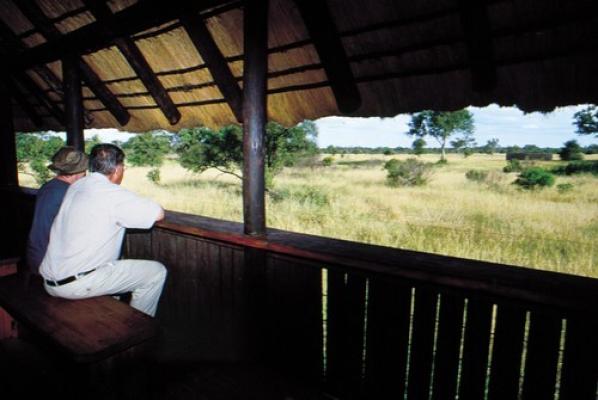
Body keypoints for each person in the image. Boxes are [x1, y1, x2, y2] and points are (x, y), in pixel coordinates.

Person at [39, 143, 167, 317]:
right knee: (156, 272)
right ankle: (139, 328)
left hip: (50, 280)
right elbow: (158, 213)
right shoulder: (111, 194)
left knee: (111, 270)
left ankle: (113, 321)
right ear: (117, 169)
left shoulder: (77, 186)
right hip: (74, 284)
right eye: (123, 167)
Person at [26, 146, 88, 275]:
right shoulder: (68, 193)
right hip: (48, 261)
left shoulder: (49, 186)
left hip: (34, 254)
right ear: (80, 172)